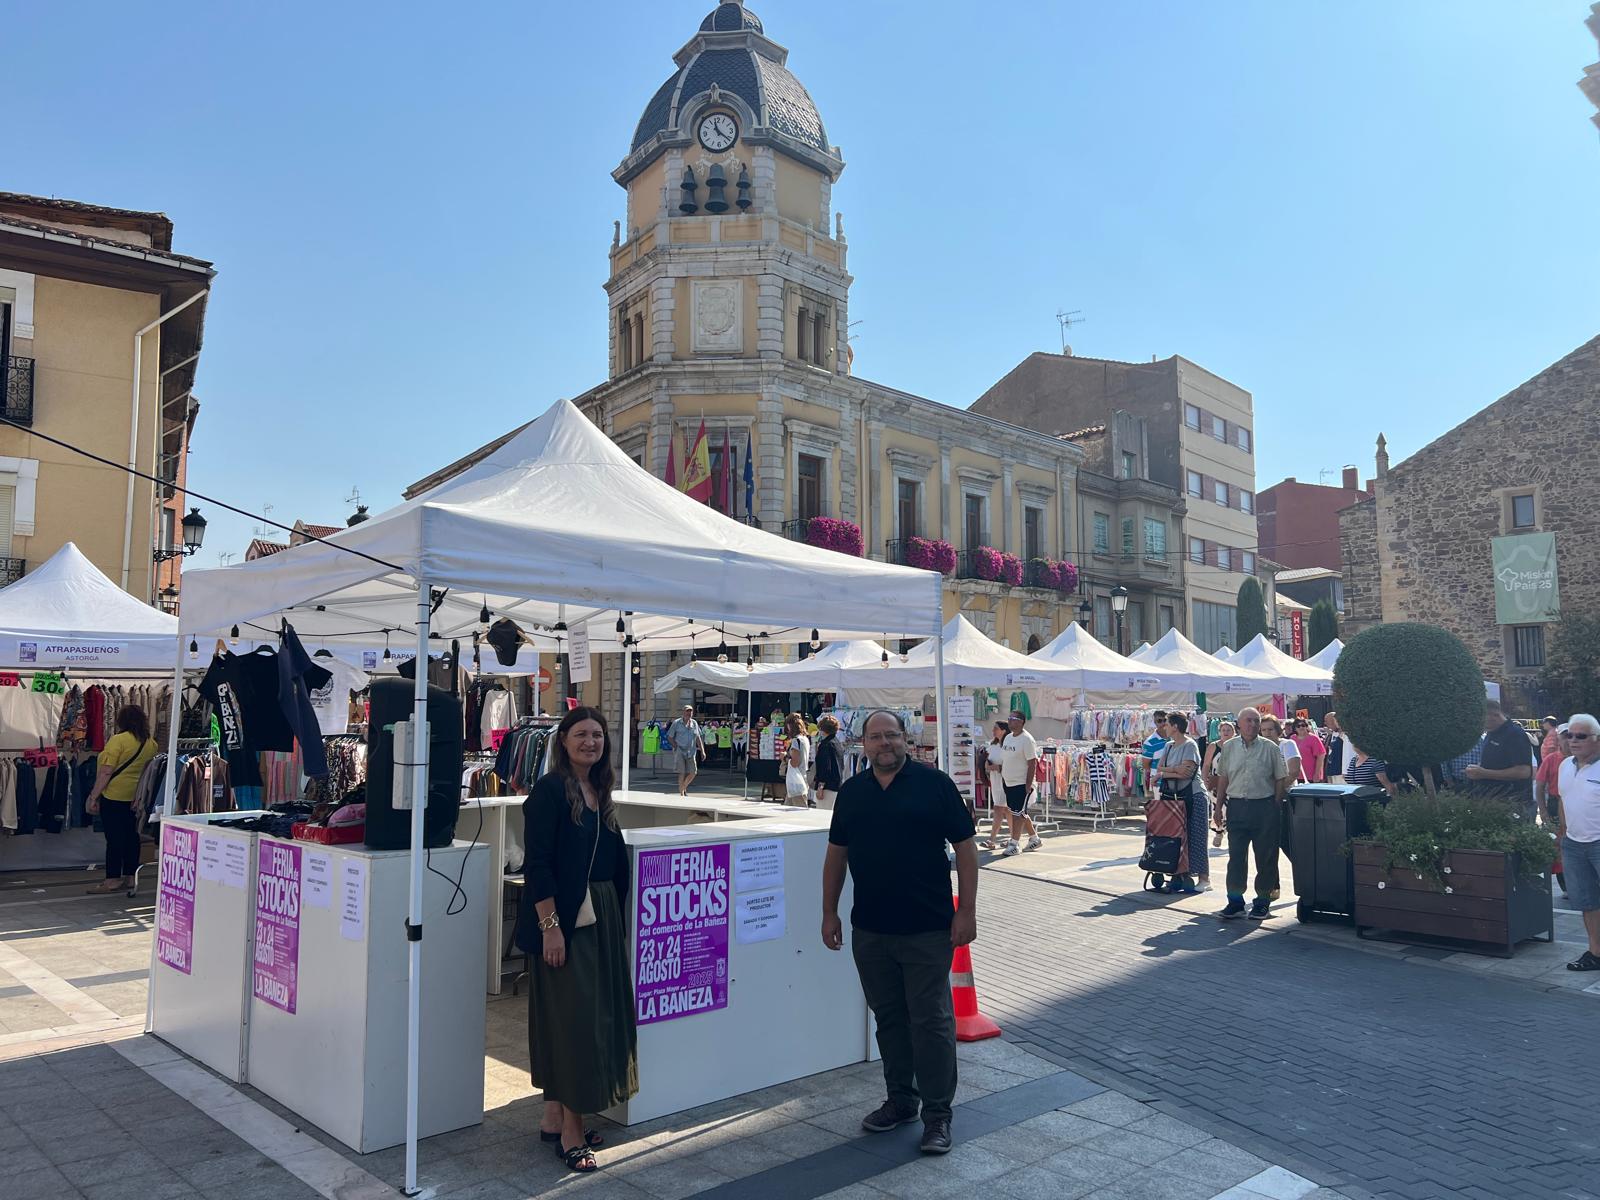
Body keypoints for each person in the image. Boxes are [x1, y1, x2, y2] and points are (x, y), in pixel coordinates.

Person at [822, 709, 977, 1156]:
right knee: (889, 1019)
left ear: (906, 740)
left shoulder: (936, 785)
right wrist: (828, 912)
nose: (884, 743)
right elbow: (836, 856)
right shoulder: (852, 794)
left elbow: (966, 850)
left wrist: (966, 911)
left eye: (892, 735)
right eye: (876, 737)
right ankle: (901, 1101)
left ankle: (938, 1116)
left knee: (931, 1022)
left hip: (928, 928)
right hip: (870, 930)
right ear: (863, 743)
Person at [519, 707, 637, 1173]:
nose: (591, 742)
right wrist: (551, 929)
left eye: (598, 735)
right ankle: (571, 1131)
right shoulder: (548, 792)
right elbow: (538, 866)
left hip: (601, 915)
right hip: (567, 922)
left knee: (583, 1019)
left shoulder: (599, 790)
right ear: (563, 740)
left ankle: (553, 1117)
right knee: (576, 1025)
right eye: (582, 734)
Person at [1213, 707, 1290, 920]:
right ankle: (1235, 901)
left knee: (1266, 856)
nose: (1253, 725)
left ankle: (1263, 901)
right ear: (1239, 724)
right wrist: (1218, 807)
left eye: (1256, 721)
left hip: (1264, 806)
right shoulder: (1228, 747)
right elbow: (1223, 777)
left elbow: (1280, 778)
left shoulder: (1270, 748)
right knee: (1236, 855)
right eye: (1249, 721)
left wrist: (1275, 804)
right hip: (1237, 806)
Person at [84, 705, 158, 895]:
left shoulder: (118, 740)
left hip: (114, 796)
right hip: (137, 797)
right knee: (132, 837)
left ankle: (112, 880)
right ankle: (131, 876)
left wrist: (94, 796)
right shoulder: (151, 743)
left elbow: (106, 771)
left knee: (114, 838)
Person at [1556, 713, 1600, 972]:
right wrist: (1563, 833)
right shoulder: (1564, 766)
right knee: (1587, 901)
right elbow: (1563, 800)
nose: (1573, 740)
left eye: (1580, 736)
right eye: (1569, 735)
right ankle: (1595, 953)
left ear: (1597, 740)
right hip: (1573, 843)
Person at [1152, 714, 1204, 894]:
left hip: (1193, 794)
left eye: (1166, 724)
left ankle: (1204, 878)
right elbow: (1159, 767)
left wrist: (1165, 773)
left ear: (1174, 726)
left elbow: (1186, 773)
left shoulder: (1190, 745)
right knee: (1175, 836)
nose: (1163, 727)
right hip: (1173, 795)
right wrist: (1173, 770)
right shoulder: (1168, 745)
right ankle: (1179, 872)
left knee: (1196, 836)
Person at [1463, 700, 1537, 810]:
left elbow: (1524, 772)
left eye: (1482, 719)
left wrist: (1484, 773)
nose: (1479, 723)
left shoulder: (1514, 734)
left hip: (1513, 804)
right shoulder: (1491, 732)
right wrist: (1477, 769)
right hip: (1492, 801)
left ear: (1495, 715)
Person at [977, 722, 1011, 851]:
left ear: (1003, 731)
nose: (993, 730)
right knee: (1006, 810)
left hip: (1006, 780)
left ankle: (992, 839)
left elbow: (1012, 763)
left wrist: (997, 767)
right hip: (996, 780)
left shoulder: (1008, 746)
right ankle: (1013, 838)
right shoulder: (993, 745)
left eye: (996, 728)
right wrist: (987, 766)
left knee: (999, 808)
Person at [1203, 721, 1235, 848]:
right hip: (1216, 781)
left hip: (1232, 781)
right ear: (1220, 732)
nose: (1226, 732)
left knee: (1231, 808)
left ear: (1234, 732)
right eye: (1224, 730)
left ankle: (1230, 832)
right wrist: (1204, 778)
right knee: (1218, 807)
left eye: (1229, 730)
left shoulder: (1237, 745)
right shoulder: (1213, 746)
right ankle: (1219, 831)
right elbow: (1206, 764)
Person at [665, 704, 707, 797]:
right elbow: (669, 736)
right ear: (683, 712)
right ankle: (682, 793)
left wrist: (702, 751)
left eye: (691, 711)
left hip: (691, 751)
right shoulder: (676, 723)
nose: (689, 713)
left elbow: (698, 737)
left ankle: (683, 787)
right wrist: (675, 746)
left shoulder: (694, 723)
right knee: (682, 772)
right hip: (680, 750)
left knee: (693, 772)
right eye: (687, 711)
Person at [1536, 724, 1570, 827]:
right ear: (1558, 740)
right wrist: (1543, 811)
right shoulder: (1550, 759)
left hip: (1577, 803)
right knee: (1556, 837)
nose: (1569, 740)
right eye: (1565, 737)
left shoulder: (1584, 759)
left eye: (1571, 736)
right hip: (1555, 803)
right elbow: (1539, 786)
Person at [813, 714, 844, 810]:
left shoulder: (825, 745)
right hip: (836, 785)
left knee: (823, 815)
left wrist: (820, 787)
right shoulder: (837, 743)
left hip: (827, 787)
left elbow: (825, 767)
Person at [784, 711, 813, 805]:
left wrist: (785, 757)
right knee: (788, 808)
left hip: (796, 779)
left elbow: (794, 762)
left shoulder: (796, 741)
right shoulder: (805, 739)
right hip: (802, 776)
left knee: (799, 808)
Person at [1291, 719, 1327, 784]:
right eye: (1298, 726)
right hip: (1296, 775)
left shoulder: (1313, 738)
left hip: (1311, 775)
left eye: (1303, 725)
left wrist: (1317, 773)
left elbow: (1321, 756)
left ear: (1307, 726)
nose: (1301, 727)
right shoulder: (1292, 738)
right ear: (1295, 728)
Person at [1323, 712, 1349, 783]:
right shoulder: (1330, 735)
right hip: (1331, 771)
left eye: (1327, 721)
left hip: (1340, 772)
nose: (1326, 724)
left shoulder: (1345, 735)